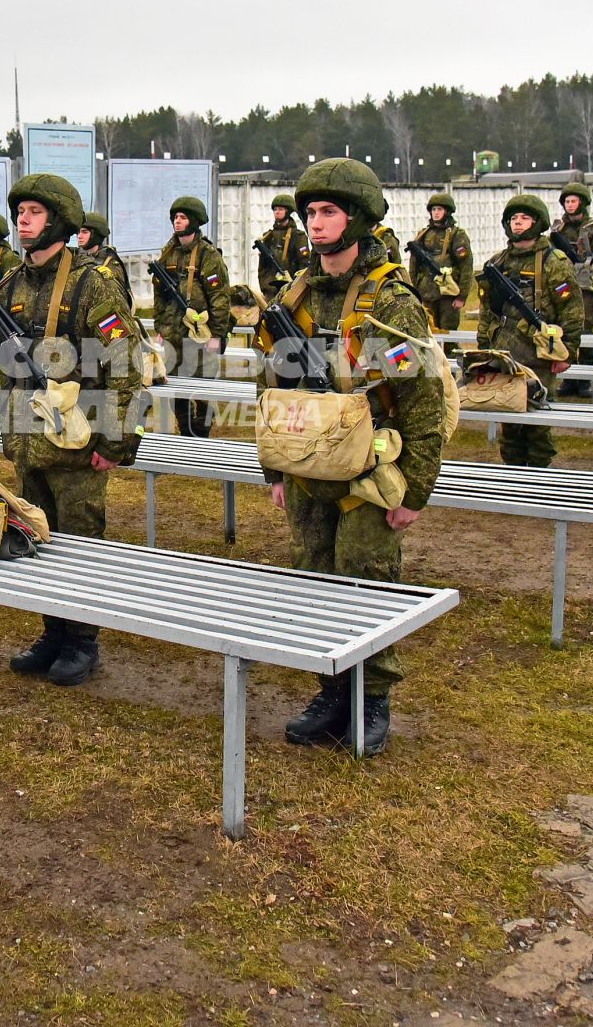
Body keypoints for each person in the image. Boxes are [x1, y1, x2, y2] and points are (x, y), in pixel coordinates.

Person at [257, 160, 444, 755]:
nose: (315, 223)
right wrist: (276, 467)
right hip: (309, 467)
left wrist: (415, 490)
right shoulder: (295, 297)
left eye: (328, 212)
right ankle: (332, 691)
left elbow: (422, 400)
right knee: (315, 577)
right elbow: (273, 387)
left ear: (357, 220)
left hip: (372, 471)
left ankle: (372, 698)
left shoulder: (390, 302)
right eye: (310, 213)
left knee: (365, 580)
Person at [0, 176, 142, 685]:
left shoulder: (90, 283)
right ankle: (52, 630)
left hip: (78, 444)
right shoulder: (12, 283)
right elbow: (5, 366)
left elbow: (125, 363)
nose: (23, 220)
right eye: (21, 212)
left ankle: (82, 640)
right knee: (37, 536)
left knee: (80, 542)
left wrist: (115, 441)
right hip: (31, 441)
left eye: (35, 211)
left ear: (58, 220)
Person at [476, 193, 582, 467]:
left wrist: (567, 352)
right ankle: (514, 477)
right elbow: (487, 311)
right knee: (508, 423)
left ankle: (539, 478)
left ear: (538, 222)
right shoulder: (498, 263)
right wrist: (482, 349)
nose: (518, 223)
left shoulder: (553, 261)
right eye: (514, 218)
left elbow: (571, 310)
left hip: (539, 356)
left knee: (537, 423)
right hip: (503, 354)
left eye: (524, 218)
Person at [153, 195, 232, 438]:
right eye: (175, 217)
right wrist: (160, 328)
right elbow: (159, 296)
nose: (177, 221)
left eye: (183, 217)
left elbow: (219, 297)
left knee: (204, 385)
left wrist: (217, 335)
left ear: (195, 221)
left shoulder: (208, 255)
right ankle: (186, 432)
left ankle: (202, 430)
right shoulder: (168, 253)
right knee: (175, 386)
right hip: (173, 334)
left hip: (200, 333)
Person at [551, 183, 593, 399]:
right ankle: (570, 377)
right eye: (567, 201)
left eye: (574, 201)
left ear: (582, 203)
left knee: (585, 332)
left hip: (587, 289)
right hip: (563, 288)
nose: (570, 205)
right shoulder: (558, 230)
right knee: (564, 331)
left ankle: (585, 379)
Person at [408, 192, 473, 332]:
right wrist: (414, 290)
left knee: (448, 334)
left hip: (448, 294)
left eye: (440, 209)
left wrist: (462, 296)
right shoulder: (423, 234)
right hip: (426, 293)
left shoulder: (457, 235)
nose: (436, 213)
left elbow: (466, 266)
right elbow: (413, 266)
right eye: (433, 209)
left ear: (447, 212)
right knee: (426, 332)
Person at [255, 194, 308, 302]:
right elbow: (262, 268)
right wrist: (265, 287)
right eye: (275, 209)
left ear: (288, 211)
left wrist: (296, 286)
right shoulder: (267, 237)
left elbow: (304, 265)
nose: (277, 212)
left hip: (291, 289)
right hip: (270, 291)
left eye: (281, 209)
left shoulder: (298, 236)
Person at [76, 211, 132, 306]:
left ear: (96, 234)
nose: (79, 236)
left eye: (84, 232)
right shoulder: (75, 258)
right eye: (78, 232)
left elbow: (117, 303)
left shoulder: (110, 265)